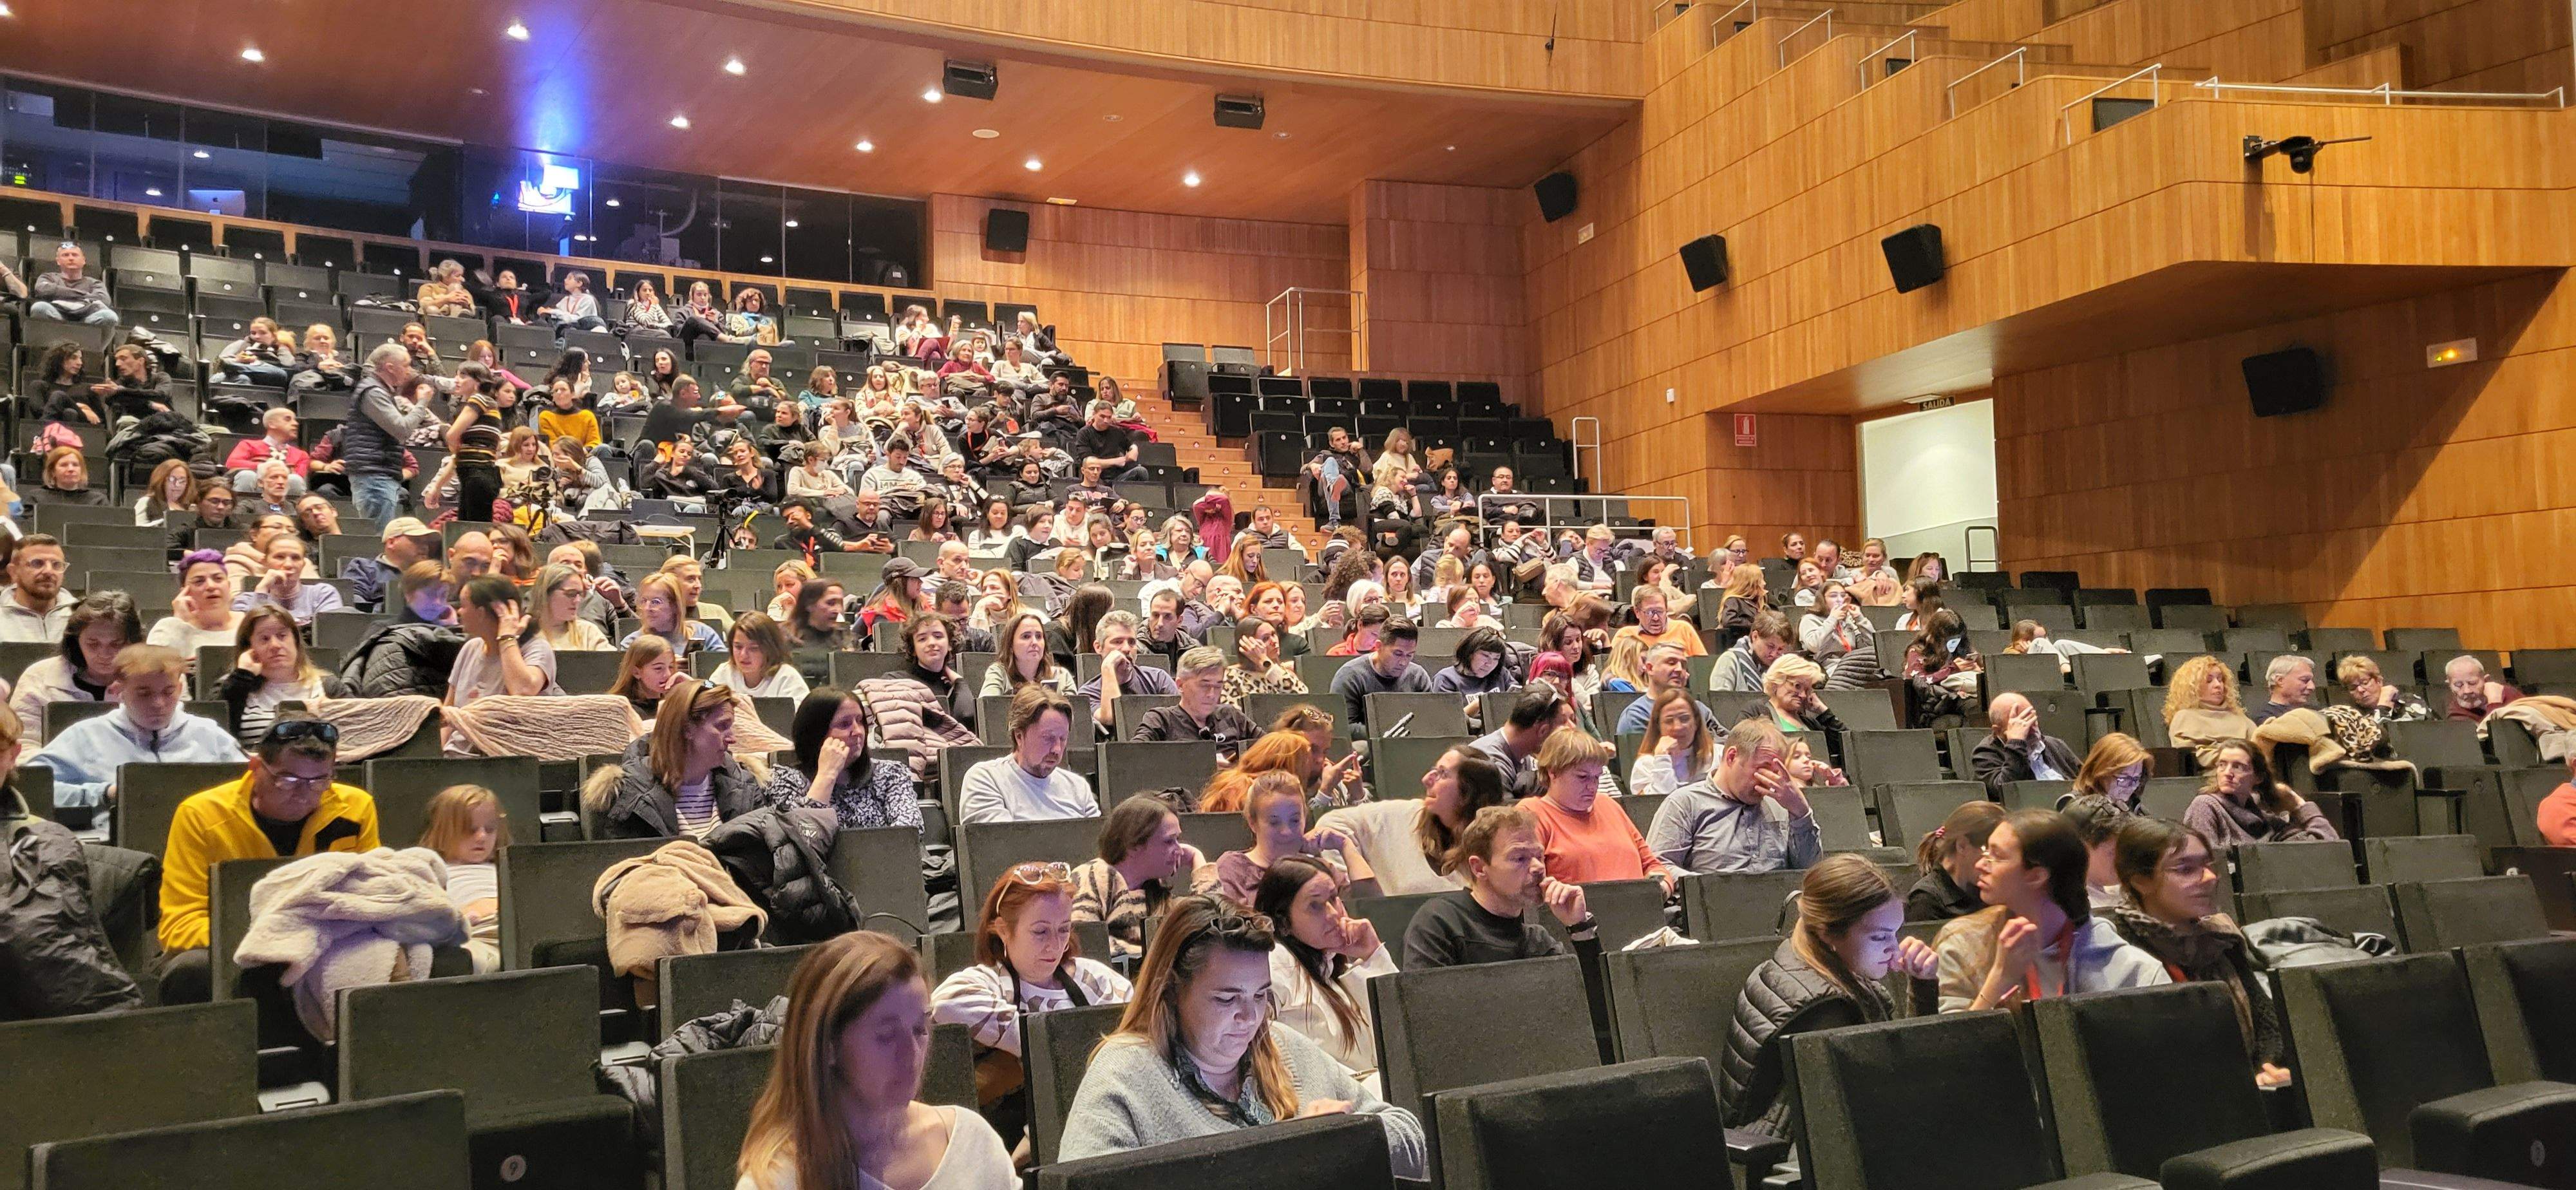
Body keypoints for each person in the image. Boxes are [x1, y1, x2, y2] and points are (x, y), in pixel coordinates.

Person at [1056, 897, 1425, 1177]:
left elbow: (1411, 1137)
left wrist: (1347, 1140)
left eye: (1262, 994)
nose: (1250, 1017)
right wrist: (1290, 1155)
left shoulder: (1279, 1044)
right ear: (1169, 990)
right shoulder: (1126, 1073)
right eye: (1226, 998)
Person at [735, 931, 1016, 1190]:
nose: (912, 1053)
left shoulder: (972, 1143)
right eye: (887, 1036)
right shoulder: (777, 1182)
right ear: (828, 1047)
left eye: (920, 1030)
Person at [155, 719, 377, 1003]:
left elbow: (371, 895)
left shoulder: (357, 807)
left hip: (324, 940)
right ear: (256, 767)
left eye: (320, 781)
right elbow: (180, 924)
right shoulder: (200, 815)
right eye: (289, 780)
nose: (304, 795)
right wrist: (275, 939)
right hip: (235, 946)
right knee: (192, 971)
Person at [1721, 856, 1939, 1138]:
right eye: (1879, 937)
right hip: (1795, 1160)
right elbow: (1903, 1095)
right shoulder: (1828, 1012)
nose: (1894, 949)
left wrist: (1922, 984)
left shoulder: (1801, 963)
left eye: (1895, 934)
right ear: (1828, 932)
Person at [932, 865, 1134, 1149]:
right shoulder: (988, 981)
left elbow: (1131, 1038)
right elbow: (945, 1003)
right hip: (1000, 1142)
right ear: (1003, 930)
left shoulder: (1094, 980)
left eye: (1064, 929)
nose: (1055, 945)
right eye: (1040, 932)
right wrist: (1047, 1046)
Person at [2107, 816, 2291, 1086]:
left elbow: (2267, 1023)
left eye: (2207, 865)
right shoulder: (2119, 951)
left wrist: (2269, 1069)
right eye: (2185, 869)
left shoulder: (2221, 939)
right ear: (2140, 881)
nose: (2210, 877)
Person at [1933, 808, 2170, 1012]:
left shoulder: (2134, 970)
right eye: (1986, 852)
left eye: (1996, 856)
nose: (1980, 865)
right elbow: (1955, 1055)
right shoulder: (1961, 944)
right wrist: (2000, 979)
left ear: (2036, 876)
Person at [26, 643, 243, 817]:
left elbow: (251, 786)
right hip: (115, 850)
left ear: (179, 688)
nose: (158, 703)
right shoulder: (86, 736)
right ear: (118, 690)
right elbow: (30, 790)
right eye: (144, 693)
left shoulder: (209, 734)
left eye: (168, 692)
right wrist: (103, 794)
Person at [1401, 803, 1601, 978]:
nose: (1539, 868)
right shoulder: (1440, 924)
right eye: (1520, 858)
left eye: (1539, 856)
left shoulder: (1537, 941)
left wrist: (1579, 927)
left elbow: (1594, 1008)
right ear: (1479, 868)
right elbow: (1425, 1011)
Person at [1254, 854, 1399, 1092]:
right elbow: (1260, 1052)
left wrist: (1373, 956)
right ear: (1283, 923)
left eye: (1334, 898)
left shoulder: (1329, 968)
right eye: (1315, 905)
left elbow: (1403, 1035)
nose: (1334, 913)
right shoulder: (1275, 962)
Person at [584, 679, 768, 839]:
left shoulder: (747, 788)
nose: (732, 738)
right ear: (687, 728)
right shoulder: (627, 796)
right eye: (722, 726)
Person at [1647, 718, 1819, 875]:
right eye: (1763, 768)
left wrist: (1801, 812)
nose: (1770, 780)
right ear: (1732, 756)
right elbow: (1660, 867)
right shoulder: (1685, 803)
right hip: (1711, 906)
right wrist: (1716, 889)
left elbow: (1810, 873)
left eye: (1776, 772)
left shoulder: (1782, 803)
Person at [1523, 728, 1676, 891]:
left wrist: (1660, 890)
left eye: (1597, 777)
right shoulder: (1532, 814)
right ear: (1553, 772)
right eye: (1583, 777)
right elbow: (1529, 886)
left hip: (1640, 910)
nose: (1593, 786)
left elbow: (1653, 866)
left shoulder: (1608, 805)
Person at [1197, 772, 1373, 905]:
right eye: (1274, 823)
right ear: (1253, 823)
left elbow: (1372, 908)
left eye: (1295, 820)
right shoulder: (1234, 868)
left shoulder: (1319, 868)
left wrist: (1345, 845)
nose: (1287, 832)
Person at [1070, 796, 1208, 959]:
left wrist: (1197, 859)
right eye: (1169, 841)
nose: (1180, 850)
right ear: (1135, 844)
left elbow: (1212, 924)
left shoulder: (1155, 893)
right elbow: (1083, 948)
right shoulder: (1094, 876)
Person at [767, 688, 920, 833]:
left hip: (886, 860)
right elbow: (803, 839)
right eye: (844, 724)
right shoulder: (786, 781)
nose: (858, 731)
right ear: (816, 734)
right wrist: (827, 774)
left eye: (860, 721)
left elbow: (908, 833)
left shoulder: (891, 774)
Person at [213, 606, 350, 747]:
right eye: (264, 639)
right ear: (248, 648)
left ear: (296, 642)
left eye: (282, 636)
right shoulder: (232, 686)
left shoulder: (329, 687)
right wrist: (242, 677)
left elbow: (358, 736)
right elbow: (214, 741)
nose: (275, 645)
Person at [958, 686, 1097, 824]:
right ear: (1019, 736)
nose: (1057, 749)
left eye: (1063, 739)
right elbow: (1000, 842)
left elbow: (1100, 843)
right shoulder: (986, 779)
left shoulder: (1078, 788)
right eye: (1048, 738)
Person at [10, 591, 140, 738]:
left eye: (116, 644)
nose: (104, 654)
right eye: (93, 644)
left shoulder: (152, 678)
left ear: (133, 643)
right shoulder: (39, 676)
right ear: (76, 641)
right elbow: (24, 742)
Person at [418, 785, 508, 974]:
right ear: (441, 832)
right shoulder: (431, 870)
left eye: (490, 829)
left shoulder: (507, 866)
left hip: (516, 928)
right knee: (476, 961)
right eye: (469, 829)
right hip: (477, 933)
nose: (482, 836)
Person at [2183, 739, 2338, 845]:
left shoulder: (2265, 820)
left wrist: (2299, 804)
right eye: (2222, 765)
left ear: (2258, 777)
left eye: (2238, 767)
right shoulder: (2206, 807)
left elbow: (2327, 847)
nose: (2227, 773)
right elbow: (2206, 865)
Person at [448, 575, 558, 708]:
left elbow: (522, 691)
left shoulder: (536, 648)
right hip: (462, 728)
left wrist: (507, 637)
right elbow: (448, 712)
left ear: (481, 613)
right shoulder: (470, 648)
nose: (459, 612)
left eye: (464, 605)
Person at [1326, 614, 1430, 738]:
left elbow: (1429, 721)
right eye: (1398, 654)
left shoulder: (1418, 676)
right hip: (1367, 746)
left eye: (1410, 655)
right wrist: (1389, 736)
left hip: (1412, 742)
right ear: (1378, 646)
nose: (1404, 662)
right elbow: (1343, 726)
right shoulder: (1351, 676)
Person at [1075, 610, 1179, 733]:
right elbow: (1111, 718)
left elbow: (1179, 720)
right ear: (1098, 647)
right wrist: (1108, 668)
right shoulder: (1088, 693)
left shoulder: (1158, 678)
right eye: (1118, 642)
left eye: (1132, 642)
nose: (1126, 649)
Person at [1130, 646, 1258, 745]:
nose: (1212, 695)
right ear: (1180, 685)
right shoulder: (1161, 720)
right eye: (1204, 685)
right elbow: (1132, 758)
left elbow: (1271, 746)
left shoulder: (1231, 715)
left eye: (1218, 686)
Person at [1905, 798, 2005, 922]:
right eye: (1991, 853)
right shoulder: (1926, 900)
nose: (1994, 864)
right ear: (1962, 845)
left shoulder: (1989, 891)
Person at [1969, 691, 2081, 797]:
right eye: (2021, 722)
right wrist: (2016, 742)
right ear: (1998, 731)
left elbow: (2086, 778)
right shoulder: (1985, 754)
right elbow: (2008, 792)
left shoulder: (2054, 744)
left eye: (2032, 718)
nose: (2031, 727)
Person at [145, 550, 243, 657]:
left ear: (229, 586)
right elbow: (155, 670)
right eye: (199, 581)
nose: (211, 586)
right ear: (185, 592)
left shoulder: (251, 625)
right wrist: (177, 623)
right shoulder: (167, 628)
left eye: (218, 579)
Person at [228, 532, 341, 625]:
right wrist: (261, 591)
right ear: (265, 562)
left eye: (296, 558)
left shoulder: (322, 594)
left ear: (303, 564)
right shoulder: (245, 601)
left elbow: (330, 635)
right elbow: (251, 637)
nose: (288, 564)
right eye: (280, 557)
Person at [2164, 655, 2256, 767]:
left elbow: (2260, 752)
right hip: (2210, 776)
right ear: (2193, 688)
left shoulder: (2241, 719)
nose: (2218, 685)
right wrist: (2230, 758)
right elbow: (2189, 757)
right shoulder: (2184, 718)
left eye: (2220, 679)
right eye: (2209, 680)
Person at [1630, 689, 1717, 798]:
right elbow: (1657, 805)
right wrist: (1662, 758)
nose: (1677, 727)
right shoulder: (1646, 765)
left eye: (1684, 719)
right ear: (1658, 726)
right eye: (1669, 721)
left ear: (1697, 723)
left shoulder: (1718, 756)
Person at [708, 612, 811, 702]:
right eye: (738, 647)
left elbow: (802, 718)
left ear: (770, 649)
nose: (743, 655)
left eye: (754, 648)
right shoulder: (724, 672)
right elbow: (706, 690)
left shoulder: (787, 677)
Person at [1616, 643, 1714, 735]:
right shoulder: (1636, 715)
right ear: (1650, 669)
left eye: (1684, 665)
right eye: (1671, 663)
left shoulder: (1700, 708)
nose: (1679, 669)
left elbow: (1725, 745)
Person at [624, 572, 728, 658]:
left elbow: (720, 680)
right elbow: (627, 683)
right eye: (643, 601)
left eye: (656, 602)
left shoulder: (704, 634)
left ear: (675, 605)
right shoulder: (632, 644)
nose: (647, 608)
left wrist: (701, 680)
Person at [26, 241, 117, 326]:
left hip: (87, 319)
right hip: (57, 315)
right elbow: (43, 290)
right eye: (66, 255)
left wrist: (58, 292)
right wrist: (85, 296)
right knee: (40, 308)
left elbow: (104, 299)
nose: (71, 258)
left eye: (75, 255)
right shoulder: (48, 277)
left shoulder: (95, 283)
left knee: (109, 316)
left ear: (84, 260)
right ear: (58, 261)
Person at [1219, 616, 1304, 706]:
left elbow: (1303, 697)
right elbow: (1232, 715)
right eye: (1266, 638)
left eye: (1274, 634)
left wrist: (1268, 666)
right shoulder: (1232, 675)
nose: (1274, 641)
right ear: (1248, 645)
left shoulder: (1281, 672)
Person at [533, 563, 614, 654]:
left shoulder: (588, 632)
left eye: (580, 594)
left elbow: (613, 664)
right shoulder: (524, 632)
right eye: (571, 594)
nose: (578, 601)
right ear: (546, 593)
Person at [1709, 610, 1794, 694]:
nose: (1774, 654)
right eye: (1770, 646)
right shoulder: (1729, 660)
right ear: (1755, 637)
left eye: (1780, 649)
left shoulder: (1782, 667)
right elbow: (1720, 703)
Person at [2065, 732, 2152, 811]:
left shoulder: (2136, 808)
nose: (2132, 787)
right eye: (2124, 778)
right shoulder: (2077, 811)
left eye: (2136, 779)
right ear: (2100, 772)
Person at [2334, 655, 2431, 724]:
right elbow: (2375, 738)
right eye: (2353, 688)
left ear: (2379, 681)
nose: (2360, 690)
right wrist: (2383, 707)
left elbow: (2407, 736)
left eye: (2365, 683)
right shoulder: (2351, 718)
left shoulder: (2408, 702)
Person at [607, 636, 683, 721]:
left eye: (671, 667)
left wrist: (691, 687)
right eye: (658, 668)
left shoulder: (677, 704)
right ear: (636, 672)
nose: (668, 674)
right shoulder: (623, 710)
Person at [2443, 654, 2523, 721]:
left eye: (2472, 683)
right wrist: (2494, 703)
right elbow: (2493, 736)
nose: (2467, 691)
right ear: (2449, 685)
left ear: (2486, 680)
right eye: (2458, 685)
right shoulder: (2456, 713)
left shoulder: (2508, 693)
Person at [2248, 654, 2318, 724]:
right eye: (2304, 680)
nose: (2312, 687)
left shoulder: (2315, 712)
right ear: (2280, 680)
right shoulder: (2266, 720)